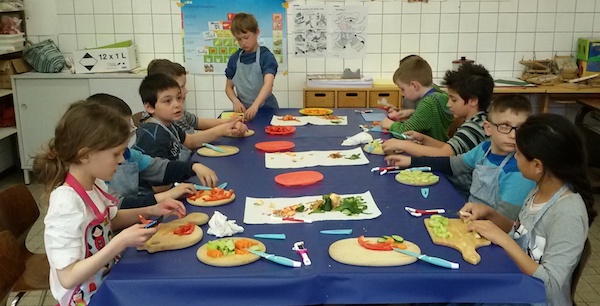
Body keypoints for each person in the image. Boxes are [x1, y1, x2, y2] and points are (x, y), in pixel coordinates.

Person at [33, 102, 186, 306]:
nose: (122, 160)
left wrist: (152, 209)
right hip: (84, 299)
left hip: (106, 281)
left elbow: (109, 220)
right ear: (85, 154)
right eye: (116, 154)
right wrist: (120, 242)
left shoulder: (95, 184)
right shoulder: (66, 204)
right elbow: (68, 277)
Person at [460, 113, 597, 306]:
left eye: (517, 153)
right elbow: (523, 233)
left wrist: (503, 239)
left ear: (537, 165)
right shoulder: (539, 189)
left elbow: (550, 285)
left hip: (538, 299)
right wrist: (490, 215)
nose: (515, 157)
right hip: (517, 283)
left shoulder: (568, 212)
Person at [385, 95, 535, 220]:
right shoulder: (483, 150)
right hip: (470, 217)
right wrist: (411, 161)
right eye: (504, 126)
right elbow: (452, 164)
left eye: (520, 128)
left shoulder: (519, 170)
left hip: (492, 232)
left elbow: (505, 223)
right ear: (488, 128)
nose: (514, 135)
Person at [86, 93, 216, 208]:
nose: (120, 159)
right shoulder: (91, 180)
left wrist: (193, 167)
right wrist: (168, 195)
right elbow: (118, 206)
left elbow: (160, 167)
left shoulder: (128, 154)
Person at [382, 63, 493, 156]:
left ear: (473, 101)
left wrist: (404, 145)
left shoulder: (475, 127)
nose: (448, 104)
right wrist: (424, 139)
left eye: (453, 100)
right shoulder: (477, 120)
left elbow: (446, 153)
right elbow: (451, 148)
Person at [146, 59, 248, 137]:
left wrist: (229, 122)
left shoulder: (179, 112)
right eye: (181, 87)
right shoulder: (167, 119)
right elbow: (190, 140)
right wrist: (223, 130)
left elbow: (198, 122)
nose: (186, 91)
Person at [380, 55, 453, 142]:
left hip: (431, 150)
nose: (402, 94)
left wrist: (391, 125)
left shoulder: (429, 103)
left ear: (414, 85)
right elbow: (430, 118)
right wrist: (412, 113)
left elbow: (404, 132)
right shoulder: (438, 94)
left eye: (402, 89)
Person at [225, 12, 279, 120]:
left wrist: (255, 106)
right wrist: (236, 101)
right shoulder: (234, 59)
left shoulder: (266, 57)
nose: (243, 42)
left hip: (267, 109)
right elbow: (228, 88)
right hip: (243, 112)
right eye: (239, 39)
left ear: (257, 32)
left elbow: (268, 85)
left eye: (246, 37)